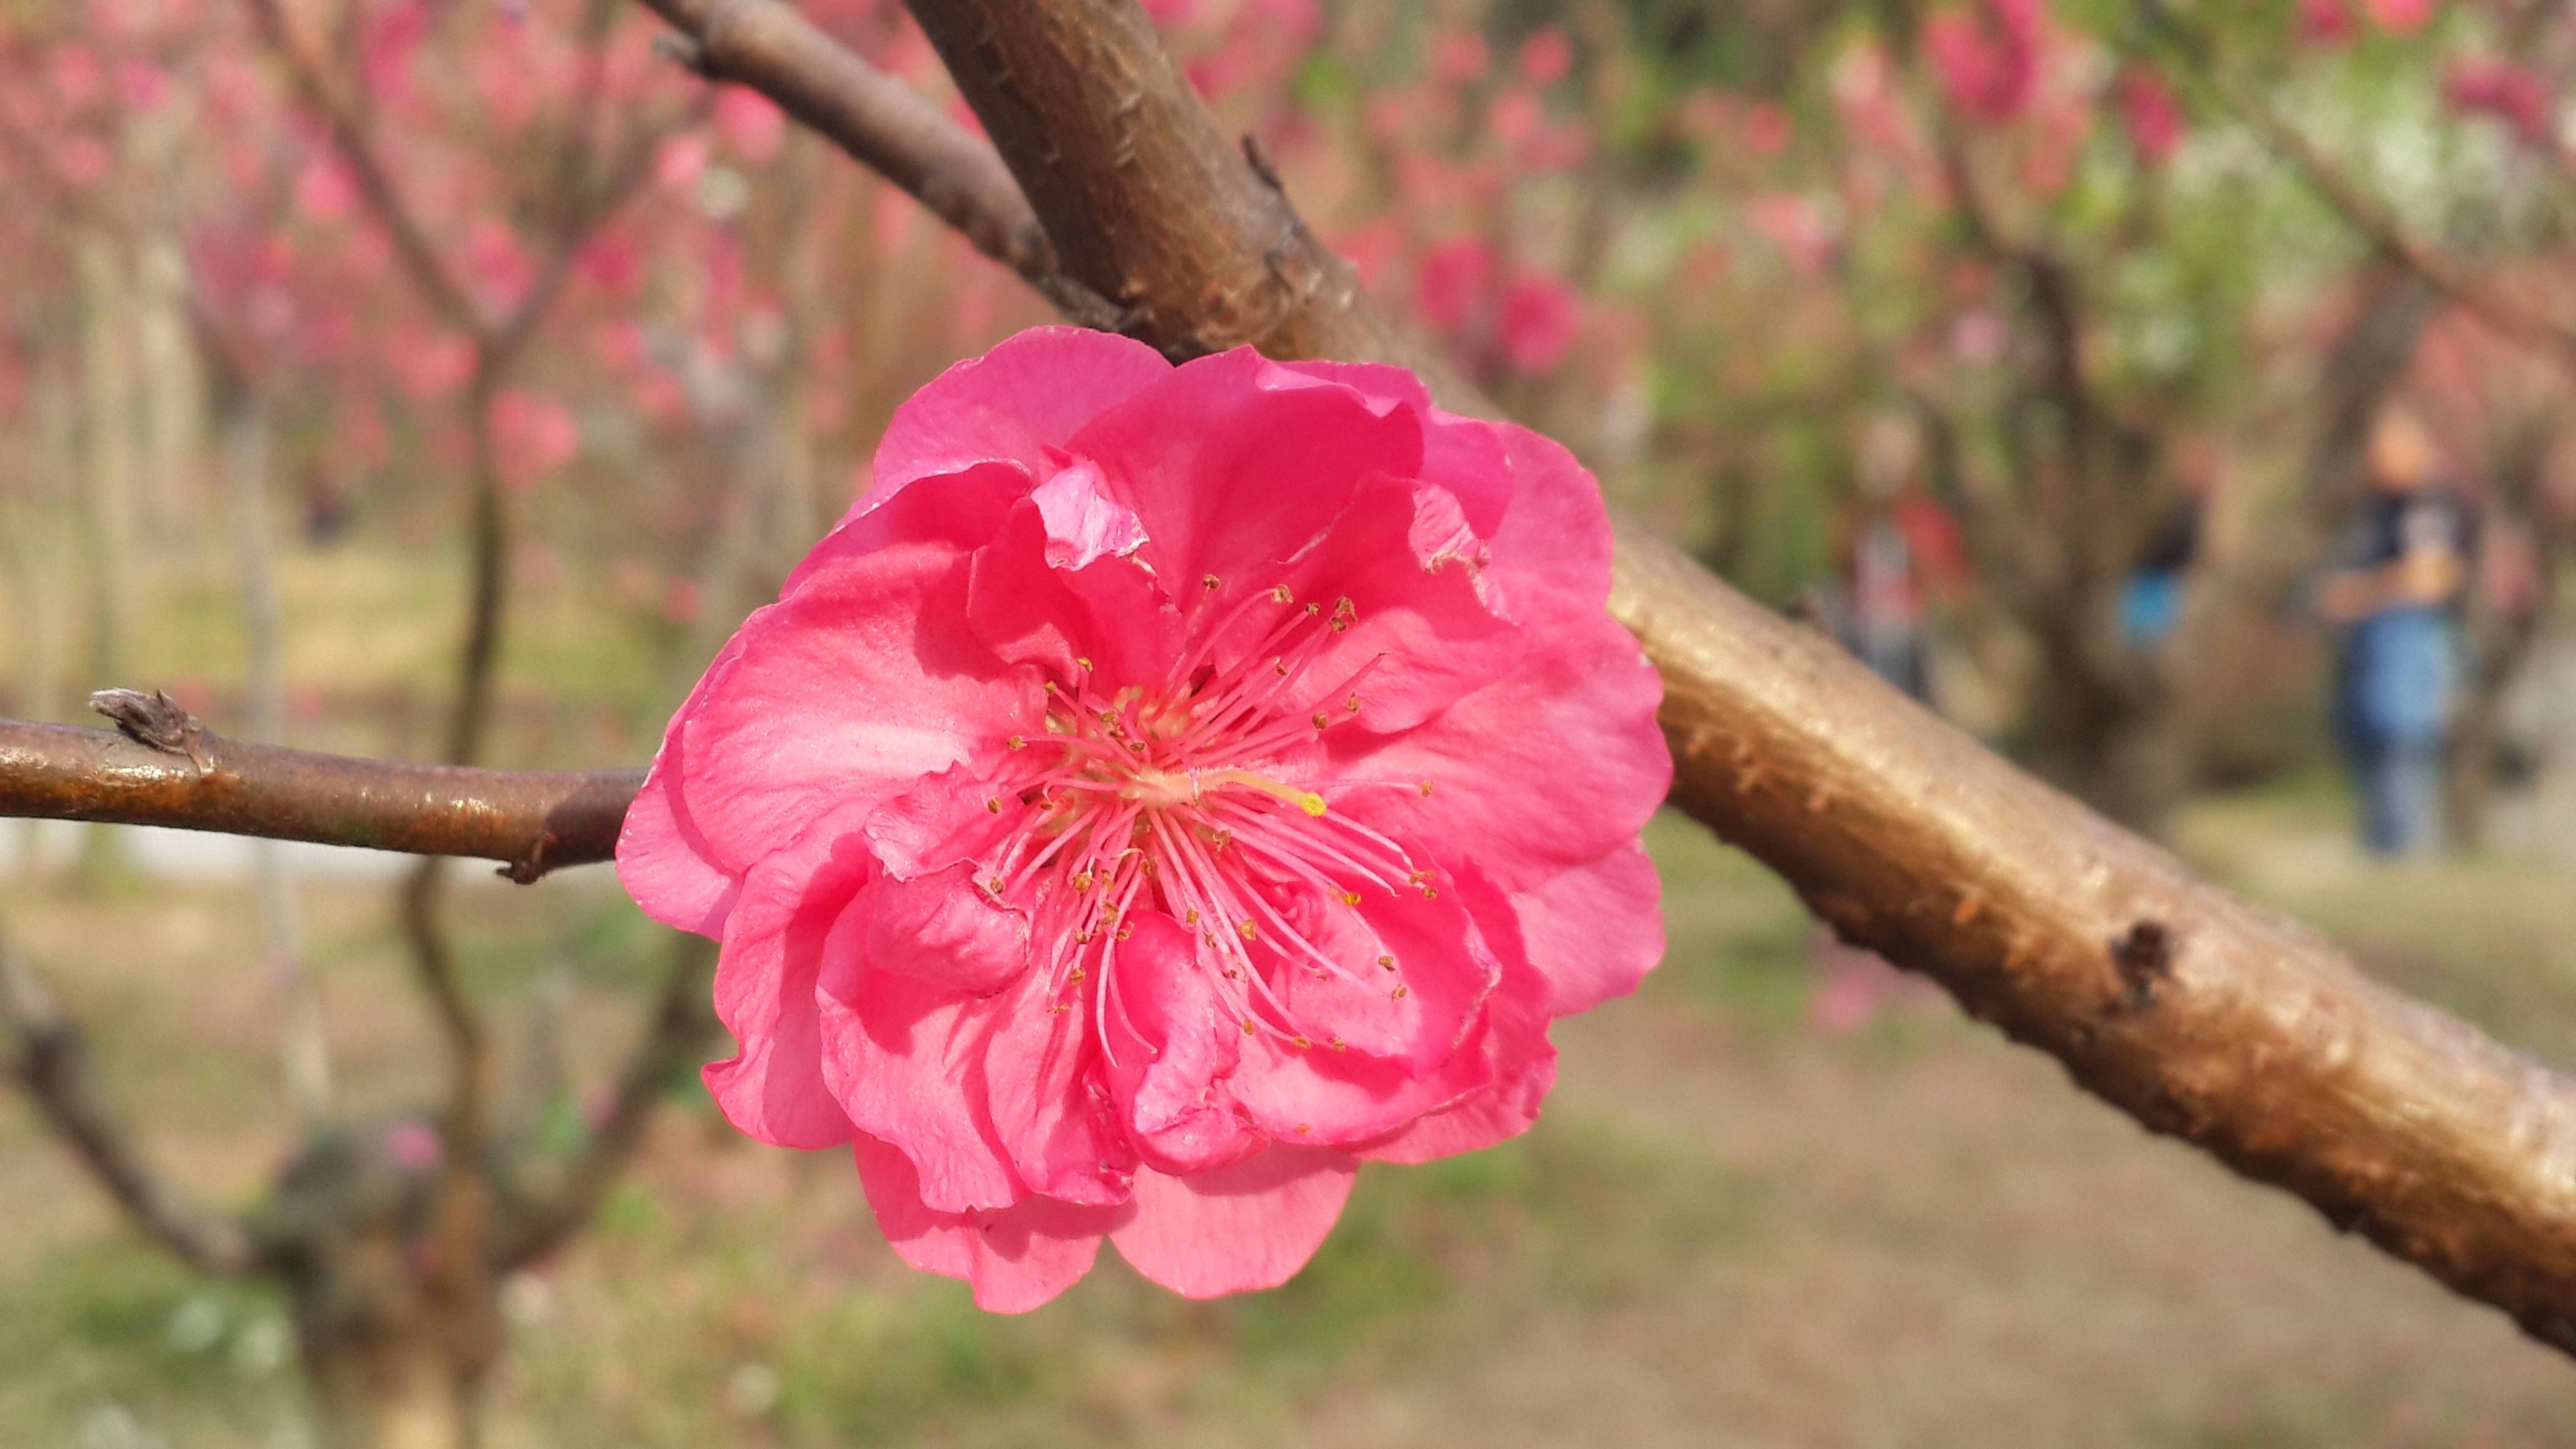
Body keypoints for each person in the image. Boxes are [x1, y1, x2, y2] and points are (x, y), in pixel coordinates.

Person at [2321, 406, 2472, 858]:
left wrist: (2362, 593)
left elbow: (2434, 578)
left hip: (2412, 640)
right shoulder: (2378, 506)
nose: (2377, 461)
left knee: (2403, 742)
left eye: (2386, 451)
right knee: (2370, 741)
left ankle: (2406, 852)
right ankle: (2382, 848)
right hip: (2372, 642)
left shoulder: (2430, 505)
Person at [1822, 413, 1966, 704]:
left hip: (1909, 638)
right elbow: (1842, 568)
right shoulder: (1858, 517)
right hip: (1862, 631)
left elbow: (1949, 583)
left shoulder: (1925, 519)